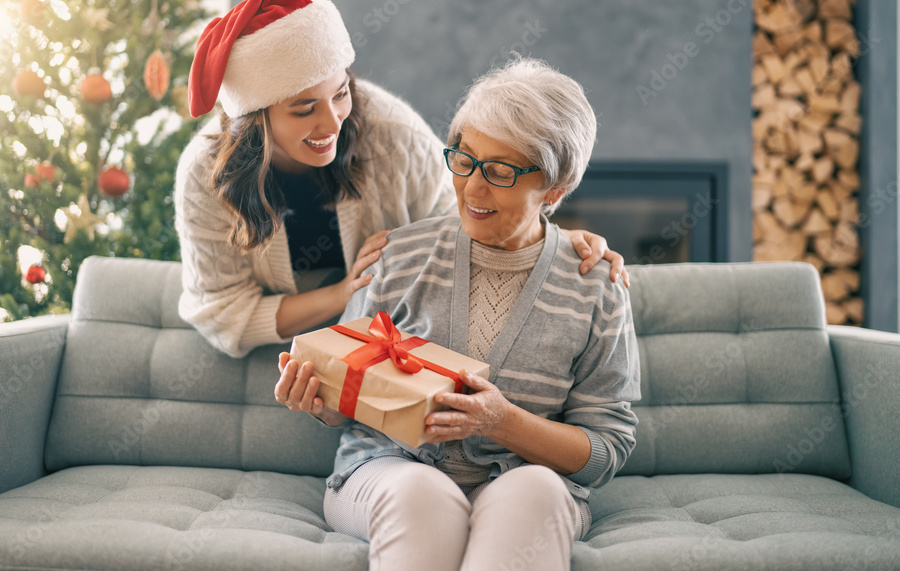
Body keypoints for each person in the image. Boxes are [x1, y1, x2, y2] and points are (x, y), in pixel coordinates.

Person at [275, 58, 641, 571]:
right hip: (389, 472)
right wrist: (317, 398)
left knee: (533, 488)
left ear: (555, 189)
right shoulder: (397, 257)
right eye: (464, 160)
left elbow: (606, 451)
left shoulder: (596, 286)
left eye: (499, 171)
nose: (472, 188)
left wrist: (505, 422)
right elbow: (347, 407)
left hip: (528, 482)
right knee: (420, 492)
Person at [176, 0, 627, 359]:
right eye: (303, 109)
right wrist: (341, 296)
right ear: (256, 118)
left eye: (340, 94)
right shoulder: (204, 175)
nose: (333, 123)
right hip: (289, 356)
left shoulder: (391, 134)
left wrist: (556, 240)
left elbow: (471, 214)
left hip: (401, 344)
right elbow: (221, 310)